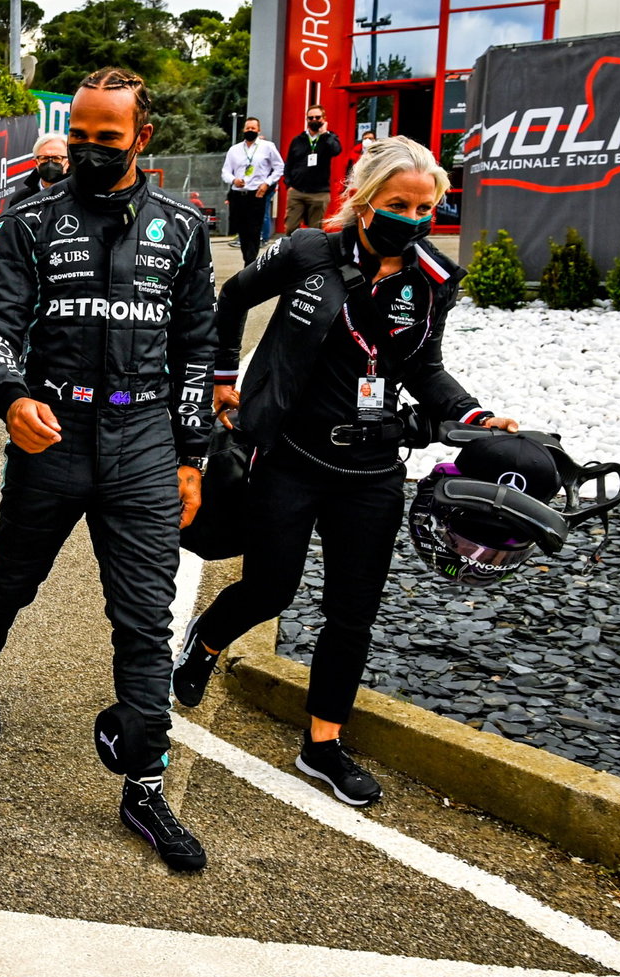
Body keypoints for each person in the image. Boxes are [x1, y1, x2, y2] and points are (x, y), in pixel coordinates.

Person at [171, 136, 518, 806]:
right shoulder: (307, 253)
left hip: (373, 471)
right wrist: (220, 381)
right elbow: (231, 299)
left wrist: (475, 417)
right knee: (271, 587)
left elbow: (425, 367)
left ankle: (322, 745)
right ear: (364, 201)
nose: (412, 218)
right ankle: (205, 644)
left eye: (425, 207)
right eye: (398, 203)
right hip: (290, 456)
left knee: (352, 613)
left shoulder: (432, 281)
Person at [0, 68, 217, 873]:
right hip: (54, 434)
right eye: (78, 137)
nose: (88, 152)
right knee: (14, 578)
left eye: (106, 140)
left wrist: (192, 454)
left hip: (142, 435)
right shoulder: (31, 219)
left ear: (142, 139)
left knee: (144, 621)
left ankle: (144, 783)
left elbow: (199, 350)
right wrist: (9, 396)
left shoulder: (183, 228)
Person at [221, 116, 283, 264]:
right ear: (243, 129)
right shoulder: (234, 150)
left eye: (253, 128)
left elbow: (279, 167)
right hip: (239, 194)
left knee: (254, 230)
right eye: (247, 128)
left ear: (258, 130)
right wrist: (233, 180)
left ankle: (250, 262)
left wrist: (267, 183)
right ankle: (246, 259)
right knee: (242, 231)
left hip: (256, 194)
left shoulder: (268, 147)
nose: (250, 131)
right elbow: (225, 171)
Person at [282, 103, 342, 232]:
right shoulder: (298, 140)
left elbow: (336, 150)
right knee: (291, 228)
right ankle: (293, 251)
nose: (314, 120)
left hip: (319, 193)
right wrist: (289, 184)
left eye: (317, 117)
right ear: (307, 120)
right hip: (297, 191)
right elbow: (289, 163)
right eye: (311, 118)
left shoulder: (329, 138)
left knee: (314, 231)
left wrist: (325, 133)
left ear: (324, 118)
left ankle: (311, 252)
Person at [16, 131, 69, 200]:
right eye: (44, 158)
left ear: (68, 162)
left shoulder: (80, 198)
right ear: (36, 162)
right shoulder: (21, 199)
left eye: (57, 158)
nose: (50, 164)